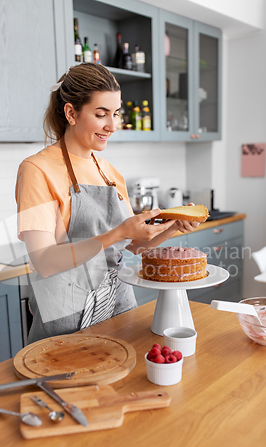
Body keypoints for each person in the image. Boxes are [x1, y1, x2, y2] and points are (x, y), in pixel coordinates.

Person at [15, 63, 199, 344]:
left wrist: (172, 227)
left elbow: (132, 246)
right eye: (101, 114)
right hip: (67, 322)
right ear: (70, 113)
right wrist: (120, 232)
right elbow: (45, 262)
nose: (112, 126)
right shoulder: (36, 170)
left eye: (115, 114)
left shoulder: (110, 172)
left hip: (119, 310)